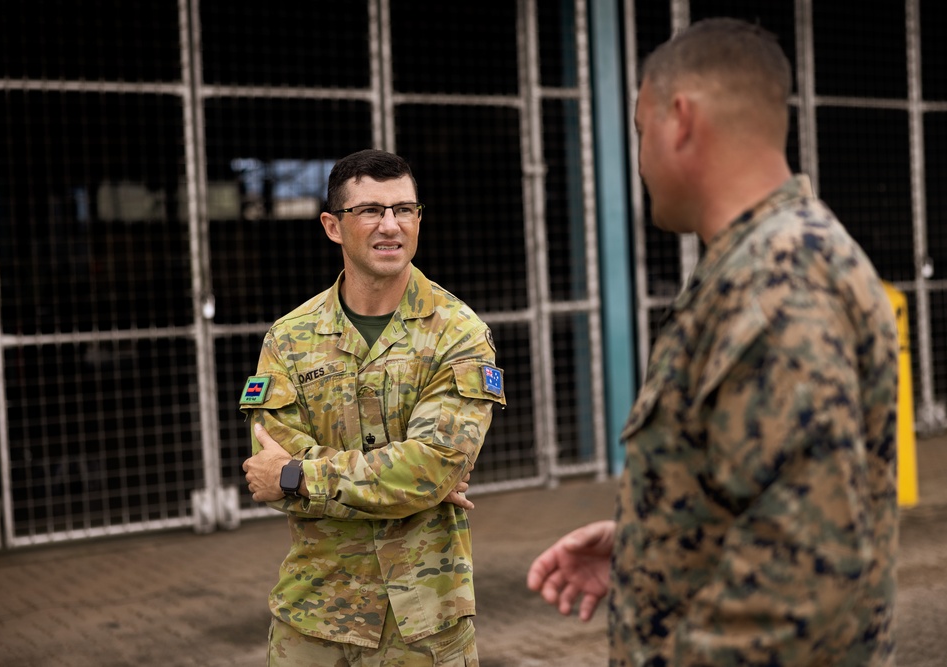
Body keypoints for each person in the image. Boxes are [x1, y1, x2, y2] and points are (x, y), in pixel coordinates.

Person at [527, 18, 898, 666]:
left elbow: (801, 586)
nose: (639, 160)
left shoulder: (776, 284)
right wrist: (655, 540)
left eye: (640, 134)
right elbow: (771, 486)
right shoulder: (762, 261)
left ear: (681, 119)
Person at [240, 148, 505, 666]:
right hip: (313, 619)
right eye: (370, 210)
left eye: (404, 209)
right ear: (333, 226)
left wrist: (299, 477)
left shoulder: (459, 333)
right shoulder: (289, 339)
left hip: (422, 625)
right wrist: (408, 483)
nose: (391, 226)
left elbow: (428, 468)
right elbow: (266, 467)